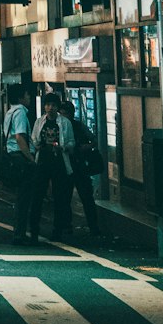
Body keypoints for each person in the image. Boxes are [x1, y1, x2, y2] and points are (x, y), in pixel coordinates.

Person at [29, 90, 76, 242]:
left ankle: (57, 230)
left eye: (53, 105)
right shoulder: (39, 122)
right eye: (48, 105)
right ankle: (34, 230)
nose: (50, 108)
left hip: (59, 162)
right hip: (42, 161)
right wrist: (38, 146)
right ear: (44, 107)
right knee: (37, 196)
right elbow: (34, 140)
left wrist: (62, 148)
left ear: (57, 107)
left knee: (59, 197)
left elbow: (71, 143)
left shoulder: (64, 123)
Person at [57, 99, 102, 238]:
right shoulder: (60, 126)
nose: (63, 116)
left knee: (86, 197)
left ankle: (93, 227)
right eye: (62, 113)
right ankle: (68, 226)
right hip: (68, 166)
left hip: (78, 166)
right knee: (66, 198)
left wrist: (85, 147)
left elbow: (94, 139)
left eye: (65, 113)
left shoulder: (77, 126)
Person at [3, 84, 36, 242]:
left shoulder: (10, 112)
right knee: (24, 198)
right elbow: (20, 137)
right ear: (21, 97)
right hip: (20, 157)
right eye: (28, 95)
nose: (29, 97)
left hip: (12, 156)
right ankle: (20, 234)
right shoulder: (21, 112)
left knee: (21, 197)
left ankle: (19, 232)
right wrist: (30, 158)